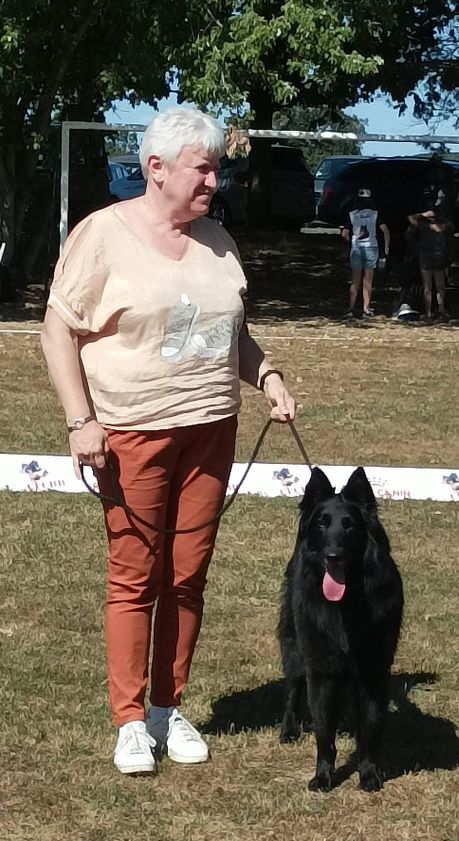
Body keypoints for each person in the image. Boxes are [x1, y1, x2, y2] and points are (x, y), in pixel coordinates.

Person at [41, 108, 296, 776]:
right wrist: (80, 420)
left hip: (211, 428)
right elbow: (57, 329)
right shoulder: (103, 234)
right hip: (131, 430)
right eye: (202, 168)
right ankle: (129, 721)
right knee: (135, 575)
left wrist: (266, 375)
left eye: (217, 169)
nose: (214, 181)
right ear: (156, 168)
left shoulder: (218, 239)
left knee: (187, 576)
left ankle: (165, 708)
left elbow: (230, 332)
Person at [340, 187, 390, 320]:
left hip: (357, 248)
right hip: (371, 247)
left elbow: (344, 233)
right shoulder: (375, 214)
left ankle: (351, 308)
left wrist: (351, 241)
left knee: (355, 280)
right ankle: (366, 309)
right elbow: (385, 230)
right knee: (368, 280)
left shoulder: (352, 214)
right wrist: (386, 247)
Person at [408, 192, 453, 321]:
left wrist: (423, 214)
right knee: (440, 285)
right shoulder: (443, 226)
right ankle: (441, 309)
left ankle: (428, 312)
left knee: (427, 286)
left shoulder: (425, 226)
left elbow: (410, 218)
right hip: (439, 255)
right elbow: (451, 226)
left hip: (426, 256)